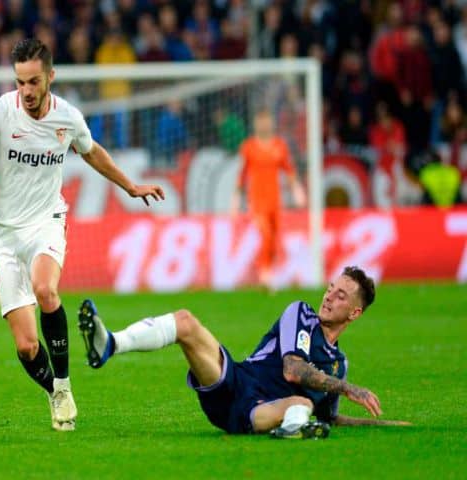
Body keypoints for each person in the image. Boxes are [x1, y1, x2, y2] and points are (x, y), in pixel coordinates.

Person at [0, 38, 164, 431]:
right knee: (27, 347)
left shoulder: (68, 117)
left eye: (33, 82)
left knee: (46, 291)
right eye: (19, 82)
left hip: (46, 220)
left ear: (50, 77)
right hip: (2, 233)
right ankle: (52, 389)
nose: (26, 91)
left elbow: (91, 151)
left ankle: (63, 385)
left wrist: (130, 187)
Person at [78, 266, 411, 438]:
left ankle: (291, 430)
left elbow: (329, 419)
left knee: (304, 405)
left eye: (340, 295)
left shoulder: (338, 364)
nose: (328, 296)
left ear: (354, 313)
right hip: (235, 383)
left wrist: (383, 425)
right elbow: (293, 370)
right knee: (185, 322)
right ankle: (110, 344)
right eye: (330, 289)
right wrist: (349, 388)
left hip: (257, 412)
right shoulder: (301, 313)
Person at [232, 109, 306, 288]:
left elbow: (288, 169)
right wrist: (235, 199)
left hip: (275, 200)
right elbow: (242, 174)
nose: (264, 125)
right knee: (265, 234)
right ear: (256, 124)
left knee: (273, 237)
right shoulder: (248, 146)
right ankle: (265, 274)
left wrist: (297, 190)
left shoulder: (279, 145)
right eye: (261, 121)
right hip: (256, 201)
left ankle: (266, 270)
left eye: (267, 121)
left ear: (272, 123)